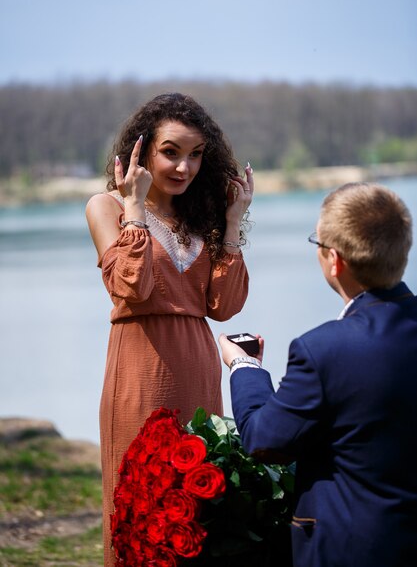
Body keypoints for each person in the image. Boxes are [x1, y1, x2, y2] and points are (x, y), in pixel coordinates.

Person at [86, 92, 253, 566]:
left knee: (197, 508)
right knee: (140, 510)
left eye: (196, 154)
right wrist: (134, 211)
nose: (184, 167)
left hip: (198, 369)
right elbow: (130, 289)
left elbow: (224, 306)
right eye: (171, 152)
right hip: (140, 368)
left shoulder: (200, 218)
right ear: (142, 151)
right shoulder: (105, 207)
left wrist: (233, 221)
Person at [219, 182, 417, 567]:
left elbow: (264, 439)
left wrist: (244, 367)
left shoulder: (324, 349)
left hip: (353, 547)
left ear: (334, 260)